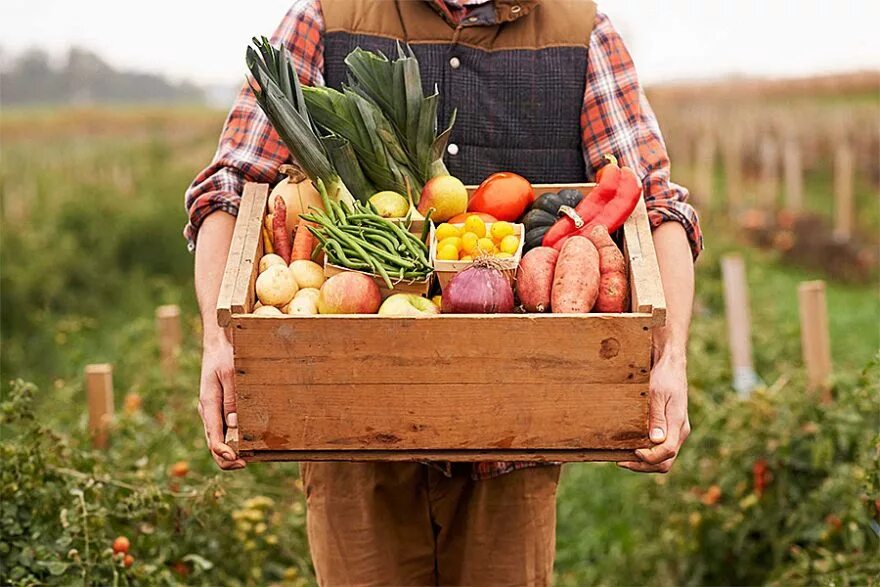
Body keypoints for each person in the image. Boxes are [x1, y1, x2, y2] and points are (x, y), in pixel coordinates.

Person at [185, 0, 702, 584]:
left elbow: (657, 208)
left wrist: (670, 356)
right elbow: (229, 190)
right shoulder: (325, 18)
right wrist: (218, 339)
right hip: (353, 430)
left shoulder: (580, 31)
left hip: (517, 435)